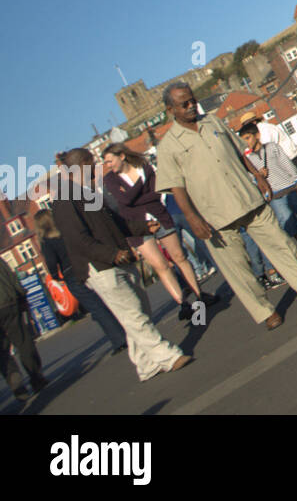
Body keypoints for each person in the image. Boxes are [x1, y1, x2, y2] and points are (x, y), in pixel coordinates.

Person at [154, 83, 297, 331]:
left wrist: (259, 176)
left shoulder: (213, 123)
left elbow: (240, 153)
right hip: (214, 217)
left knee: (281, 244)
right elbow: (176, 188)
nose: (191, 105)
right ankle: (265, 312)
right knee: (238, 270)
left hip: (248, 198)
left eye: (193, 100)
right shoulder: (168, 147)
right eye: (184, 104)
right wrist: (192, 218)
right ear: (170, 109)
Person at [49, 149, 191, 382]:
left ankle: (146, 365)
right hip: (99, 265)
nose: (98, 168)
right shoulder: (64, 199)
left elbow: (115, 222)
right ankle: (167, 356)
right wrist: (111, 254)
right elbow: (78, 239)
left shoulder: (86, 192)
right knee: (133, 314)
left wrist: (144, 228)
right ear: (82, 166)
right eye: (93, 164)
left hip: (118, 258)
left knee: (139, 309)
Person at [102, 145, 215, 321]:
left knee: (179, 256)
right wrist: (141, 182)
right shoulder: (111, 179)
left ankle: (199, 295)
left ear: (122, 156)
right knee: (160, 265)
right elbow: (124, 200)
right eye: (105, 162)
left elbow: (156, 193)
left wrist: (137, 196)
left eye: (110, 160)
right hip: (136, 225)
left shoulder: (144, 166)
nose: (108, 165)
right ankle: (182, 303)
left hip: (159, 216)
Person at [235, 111, 297, 265]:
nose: (246, 142)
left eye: (248, 138)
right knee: (288, 223)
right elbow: (251, 178)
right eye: (243, 140)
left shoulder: (271, 146)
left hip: (289, 187)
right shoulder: (250, 160)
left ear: (256, 135)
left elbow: (286, 164)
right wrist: (258, 175)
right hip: (275, 195)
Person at [32, 209, 127, 354]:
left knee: (96, 307)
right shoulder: (65, 231)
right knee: (107, 299)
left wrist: (55, 277)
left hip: (71, 274)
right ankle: (127, 329)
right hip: (85, 266)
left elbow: (51, 262)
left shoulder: (47, 241)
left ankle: (119, 339)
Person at [0, 256, 47, 402]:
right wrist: (21, 295)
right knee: (23, 341)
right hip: (8, 303)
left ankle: (15, 382)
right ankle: (36, 376)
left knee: (2, 350)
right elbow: (11, 277)